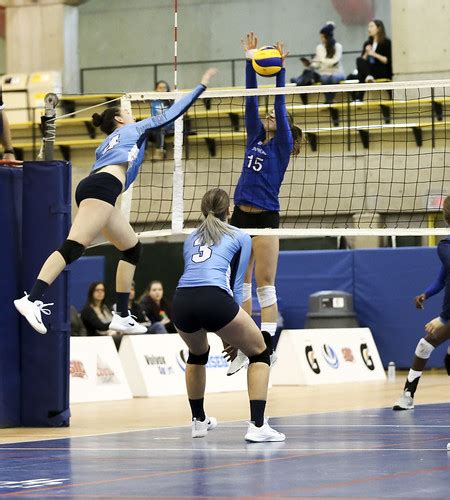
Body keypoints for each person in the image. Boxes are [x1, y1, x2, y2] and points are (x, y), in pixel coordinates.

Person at [14, 68, 218, 335]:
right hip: (103, 188)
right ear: (121, 119)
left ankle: (121, 315)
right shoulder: (134, 128)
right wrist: (201, 86)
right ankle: (32, 298)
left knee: (132, 249)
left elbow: (127, 159)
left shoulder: (107, 142)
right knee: (74, 247)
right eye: (129, 113)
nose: (134, 115)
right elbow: (171, 114)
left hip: (100, 188)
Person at [172, 187, 285, 442]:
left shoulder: (190, 238)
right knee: (259, 351)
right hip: (215, 299)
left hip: (181, 302)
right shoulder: (240, 236)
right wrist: (233, 337)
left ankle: (198, 421)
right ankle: (258, 426)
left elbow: (194, 277)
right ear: (229, 211)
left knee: (197, 354)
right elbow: (236, 287)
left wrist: (229, 336)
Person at [227, 32, 302, 376]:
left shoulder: (282, 145)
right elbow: (251, 101)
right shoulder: (255, 137)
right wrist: (250, 60)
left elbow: (280, 104)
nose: (270, 114)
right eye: (268, 114)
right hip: (241, 214)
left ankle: (266, 349)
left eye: (276, 116)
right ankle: (245, 346)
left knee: (265, 285)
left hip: (267, 218)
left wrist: (281, 71)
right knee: (239, 284)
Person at [393, 196, 450, 411]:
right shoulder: (447, 247)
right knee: (425, 345)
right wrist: (427, 294)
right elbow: (444, 276)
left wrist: (443, 317)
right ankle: (408, 394)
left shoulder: (445, 246)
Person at [291, 22, 345, 105]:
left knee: (332, 79)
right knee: (323, 78)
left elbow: (334, 61)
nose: (321, 39)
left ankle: (329, 100)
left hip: (337, 73)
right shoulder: (319, 48)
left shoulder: (338, 46)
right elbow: (318, 63)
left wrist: (322, 61)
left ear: (326, 36)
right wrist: (310, 64)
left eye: (322, 37)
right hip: (325, 73)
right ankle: (329, 100)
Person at [353, 20, 392, 101]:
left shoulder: (386, 42)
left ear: (378, 28)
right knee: (358, 61)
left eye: (371, 26)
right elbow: (361, 62)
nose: (369, 29)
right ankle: (368, 77)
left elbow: (386, 60)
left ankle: (359, 97)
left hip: (381, 70)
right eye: (368, 27)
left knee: (361, 75)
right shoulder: (367, 43)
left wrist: (374, 54)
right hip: (370, 71)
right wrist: (366, 53)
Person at [80, 281, 122, 347]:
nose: (100, 292)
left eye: (102, 290)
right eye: (97, 290)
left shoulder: (106, 308)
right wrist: (117, 322)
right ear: (91, 293)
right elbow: (100, 327)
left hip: (108, 337)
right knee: (121, 339)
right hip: (95, 340)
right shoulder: (87, 310)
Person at [148, 80, 174, 160]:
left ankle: (159, 152)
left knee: (159, 128)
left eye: (164, 88)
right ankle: (143, 153)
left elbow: (173, 118)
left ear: (167, 89)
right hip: (158, 126)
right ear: (156, 89)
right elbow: (153, 116)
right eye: (160, 88)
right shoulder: (154, 102)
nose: (162, 89)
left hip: (170, 127)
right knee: (145, 129)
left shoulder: (171, 100)